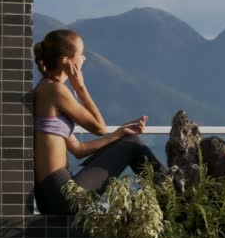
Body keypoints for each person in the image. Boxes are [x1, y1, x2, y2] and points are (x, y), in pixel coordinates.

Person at [32, 29, 167, 214]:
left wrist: (119, 133)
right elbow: (99, 127)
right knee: (133, 144)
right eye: (80, 54)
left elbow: (79, 150)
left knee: (127, 140)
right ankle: (174, 192)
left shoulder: (47, 90)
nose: (84, 59)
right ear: (66, 61)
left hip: (51, 195)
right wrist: (80, 87)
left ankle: (171, 193)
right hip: (60, 194)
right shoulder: (55, 90)